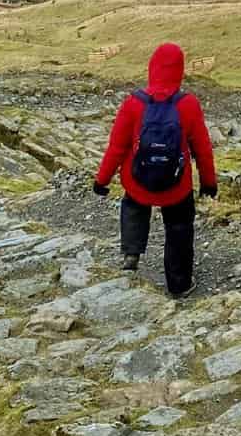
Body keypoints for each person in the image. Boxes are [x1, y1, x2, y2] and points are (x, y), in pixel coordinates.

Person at [92, 42, 216, 298]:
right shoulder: (188, 104)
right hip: (176, 186)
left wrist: (102, 180)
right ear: (180, 71)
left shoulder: (134, 103)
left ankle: (131, 254)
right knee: (179, 227)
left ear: (152, 68)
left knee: (133, 204)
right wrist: (208, 182)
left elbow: (116, 147)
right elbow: (202, 148)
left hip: (138, 181)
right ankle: (179, 284)